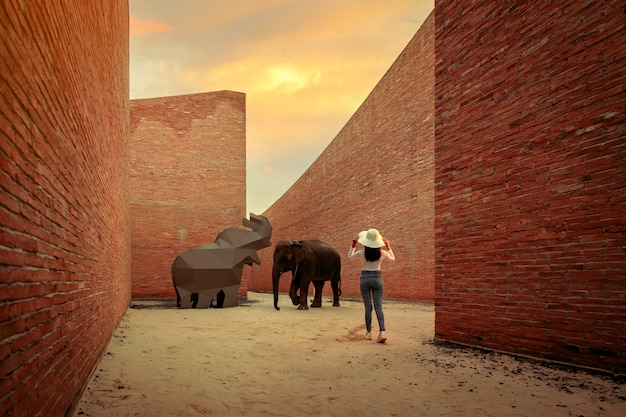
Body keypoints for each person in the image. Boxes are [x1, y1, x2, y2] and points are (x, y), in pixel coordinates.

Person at [347, 228, 395, 343]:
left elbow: (349, 256)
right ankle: (382, 332)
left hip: (364, 278)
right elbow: (393, 259)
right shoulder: (382, 253)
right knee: (378, 306)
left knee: (368, 306)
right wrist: (388, 245)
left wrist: (353, 245)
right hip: (377, 278)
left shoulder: (361, 253)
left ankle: (368, 333)